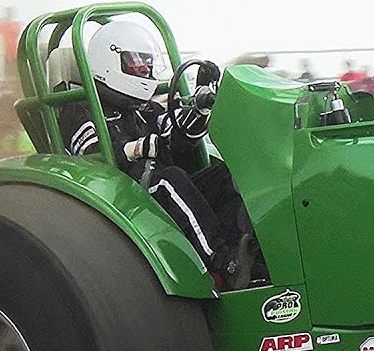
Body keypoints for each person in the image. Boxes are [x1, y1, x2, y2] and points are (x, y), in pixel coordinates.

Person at [57, 21, 262, 290]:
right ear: (109, 60)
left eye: (147, 65)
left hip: (152, 187)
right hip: (119, 196)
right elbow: (89, 152)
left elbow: (175, 132)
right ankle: (223, 263)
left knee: (222, 175)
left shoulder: (143, 108)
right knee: (170, 179)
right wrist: (138, 148)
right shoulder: (79, 110)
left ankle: (246, 252)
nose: (145, 71)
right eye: (137, 65)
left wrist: (200, 107)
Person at [0, 7, 22, 82]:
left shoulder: (13, 25)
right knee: (10, 75)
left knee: (15, 74)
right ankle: (12, 88)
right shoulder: (7, 25)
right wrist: (1, 22)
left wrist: (2, 22)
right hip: (9, 54)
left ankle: (15, 87)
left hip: (14, 54)